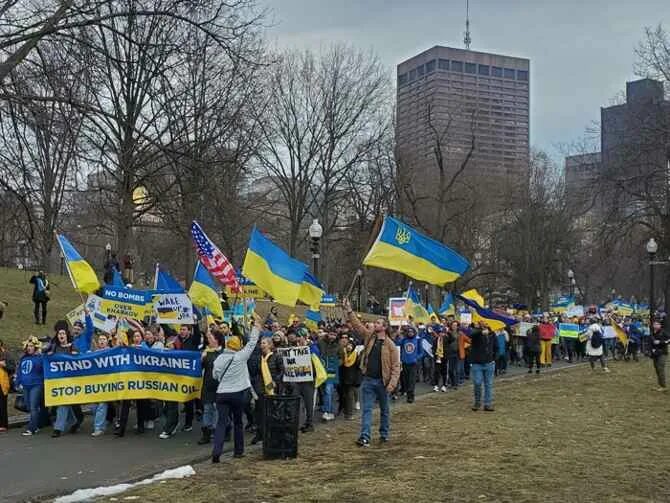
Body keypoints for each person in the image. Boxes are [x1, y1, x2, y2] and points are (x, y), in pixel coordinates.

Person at [343, 298, 401, 448]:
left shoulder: (391, 346)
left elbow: (396, 367)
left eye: (378, 323)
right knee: (367, 409)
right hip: (368, 380)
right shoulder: (370, 337)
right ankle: (365, 437)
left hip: (383, 382)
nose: (375, 324)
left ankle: (384, 434)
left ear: (385, 327)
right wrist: (349, 311)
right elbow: (358, 326)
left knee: (385, 410)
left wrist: (392, 384)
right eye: (375, 323)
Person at [211, 314, 260, 463]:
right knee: (238, 422)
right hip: (237, 394)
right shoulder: (241, 356)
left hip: (222, 395)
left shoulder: (219, 359)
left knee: (221, 422)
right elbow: (252, 343)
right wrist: (256, 327)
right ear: (238, 347)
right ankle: (238, 451)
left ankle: (216, 452)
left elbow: (215, 376)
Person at [48, 327, 84, 437]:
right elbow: (45, 354)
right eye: (59, 334)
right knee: (63, 403)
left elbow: (80, 360)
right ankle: (65, 425)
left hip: (72, 381)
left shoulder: (73, 346)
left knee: (69, 405)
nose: (61, 335)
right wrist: (48, 354)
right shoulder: (54, 348)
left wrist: (75, 355)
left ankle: (66, 425)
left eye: (63, 333)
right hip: (59, 381)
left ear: (67, 335)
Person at [251, 336, 283, 445]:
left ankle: (272, 434)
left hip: (271, 387)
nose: (262, 345)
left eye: (264, 343)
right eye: (261, 343)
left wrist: (276, 381)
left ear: (270, 345)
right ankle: (260, 434)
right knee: (259, 412)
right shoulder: (258, 357)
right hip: (260, 387)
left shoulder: (276, 357)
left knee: (271, 412)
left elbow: (282, 371)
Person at [198, 330, 224, 445]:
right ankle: (206, 433)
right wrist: (201, 359)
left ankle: (218, 431)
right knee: (207, 409)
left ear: (217, 340)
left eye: (211, 338)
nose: (208, 340)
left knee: (218, 410)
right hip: (208, 386)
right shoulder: (206, 353)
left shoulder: (223, 353)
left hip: (220, 386)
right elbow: (200, 368)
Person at [16, 336, 44, 436]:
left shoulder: (40, 358)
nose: (29, 348)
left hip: (36, 385)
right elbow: (19, 372)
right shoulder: (23, 358)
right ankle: (36, 423)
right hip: (25, 385)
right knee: (28, 406)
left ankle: (31, 428)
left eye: (31, 346)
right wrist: (17, 383)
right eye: (28, 346)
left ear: (35, 347)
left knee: (33, 407)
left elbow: (45, 370)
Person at [318, 327, 344, 421]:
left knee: (329, 390)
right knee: (323, 390)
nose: (332, 336)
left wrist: (337, 364)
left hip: (332, 370)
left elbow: (342, 357)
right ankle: (325, 407)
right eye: (331, 334)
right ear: (327, 334)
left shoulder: (339, 345)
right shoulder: (321, 342)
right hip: (321, 369)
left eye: (334, 334)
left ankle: (328, 411)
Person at [469, 322, 496, 412]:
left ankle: (487, 404)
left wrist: (494, 358)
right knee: (477, 383)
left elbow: (496, 347)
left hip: (489, 363)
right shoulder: (476, 332)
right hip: (477, 363)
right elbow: (471, 335)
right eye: (482, 323)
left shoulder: (492, 334)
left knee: (488, 384)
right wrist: (481, 332)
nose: (484, 324)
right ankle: (477, 402)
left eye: (486, 323)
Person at [90, 334, 111, 436]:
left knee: (102, 405)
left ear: (107, 341)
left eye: (104, 339)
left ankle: (98, 428)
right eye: (100, 339)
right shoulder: (94, 353)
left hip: (107, 383)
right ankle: (101, 425)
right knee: (94, 407)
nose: (102, 341)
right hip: (96, 383)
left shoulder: (112, 351)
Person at [398, 325, 422, 402]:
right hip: (405, 363)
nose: (410, 333)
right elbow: (397, 344)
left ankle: (411, 396)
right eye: (409, 332)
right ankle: (407, 393)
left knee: (411, 380)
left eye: (412, 332)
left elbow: (421, 352)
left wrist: (416, 358)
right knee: (406, 380)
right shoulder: (404, 340)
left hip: (413, 364)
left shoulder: (417, 340)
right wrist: (399, 334)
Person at [340, 337, 362, 418]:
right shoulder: (344, 354)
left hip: (352, 379)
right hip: (344, 378)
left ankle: (350, 413)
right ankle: (346, 411)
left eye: (351, 345)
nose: (349, 347)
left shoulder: (356, 355)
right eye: (348, 345)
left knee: (350, 397)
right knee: (345, 396)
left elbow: (359, 368)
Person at [650, 319, 669, 391]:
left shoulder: (663, 332)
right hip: (655, 353)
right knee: (657, 369)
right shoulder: (652, 332)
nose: (655, 325)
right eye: (654, 324)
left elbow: (668, 340)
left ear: (660, 325)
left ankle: (664, 386)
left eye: (657, 324)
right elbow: (651, 342)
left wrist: (661, 342)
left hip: (662, 353)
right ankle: (660, 385)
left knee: (660, 368)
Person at [431, 325, 448, 392]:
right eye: (439, 332)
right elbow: (433, 348)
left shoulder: (446, 339)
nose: (441, 334)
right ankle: (436, 385)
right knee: (436, 372)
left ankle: (444, 385)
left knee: (444, 371)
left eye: (442, 332)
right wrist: (435, 354)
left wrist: (447, 332)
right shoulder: (435, 339)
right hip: (437, 358)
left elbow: (452, 339)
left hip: (444, 357)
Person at [0, 339, 11, 432]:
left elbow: (12, 367)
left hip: (2, 382)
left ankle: (3, 424)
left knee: (2, 404)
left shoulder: (6, 354)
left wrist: (4, 365)